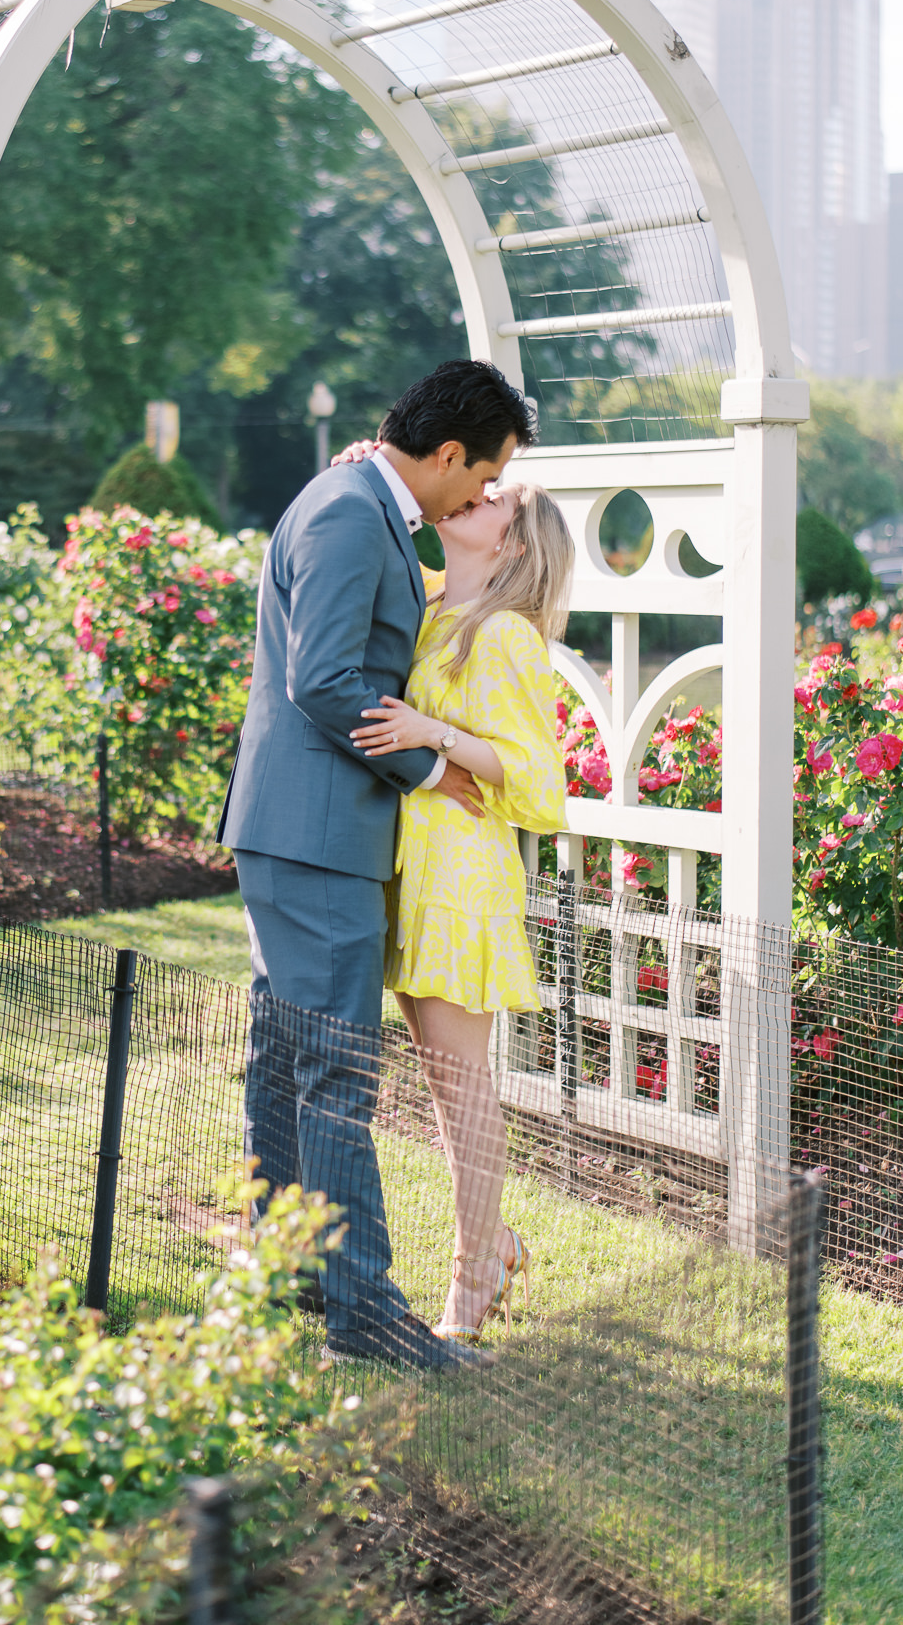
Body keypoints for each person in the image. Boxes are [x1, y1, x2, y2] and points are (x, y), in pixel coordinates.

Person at [217, 359, 531, 1370]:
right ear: (446, 453)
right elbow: (322, 677)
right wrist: (431, 763)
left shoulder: (354, 497)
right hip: (316, 832)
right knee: (332, 1074)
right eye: (480, 476)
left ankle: (291, 1274)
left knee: (286, 1058)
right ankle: (364, 1315)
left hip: (298, 830)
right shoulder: (354, 512)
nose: (480, 495)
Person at [349, 478, 572, 1342]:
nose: (470, 494)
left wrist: (428, 732)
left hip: (459, 879)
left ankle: (473, 1274)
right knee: (441, 1083)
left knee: (457, 1085)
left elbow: (539, 782)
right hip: (409, 865)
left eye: (492, 500)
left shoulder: (508, 635)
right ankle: (496, 1243)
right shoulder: (436, 598)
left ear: (512, 544)